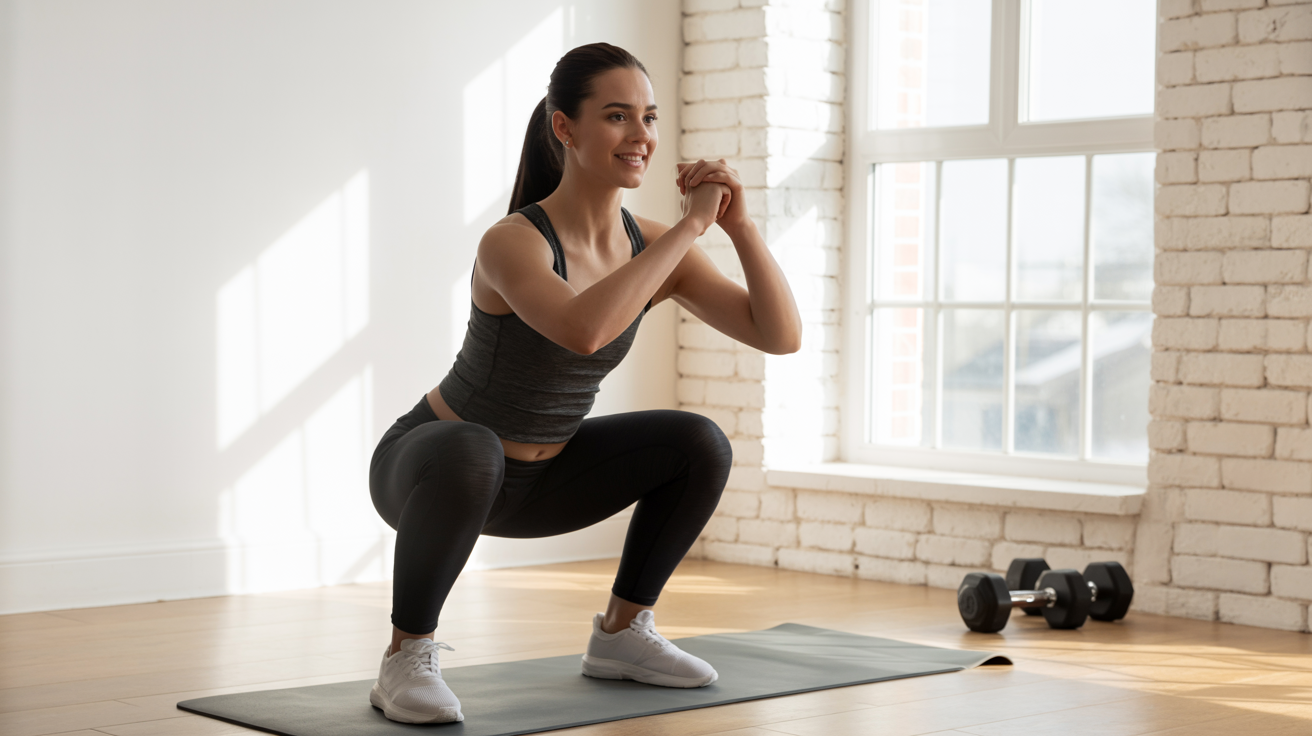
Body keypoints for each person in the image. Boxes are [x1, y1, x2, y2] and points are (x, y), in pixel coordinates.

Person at [366, 42, 802, 724]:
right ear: (565, 128)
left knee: (699, 443)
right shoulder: (514, 241)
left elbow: (779, 335)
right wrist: (691, 224)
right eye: (618, 116)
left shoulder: (653, 246)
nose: (641, 137)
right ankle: (404, 657)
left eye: (650, 119)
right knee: (474, 446)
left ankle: (623, 635)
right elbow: (583, 331)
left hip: (542, 483)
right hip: (433, 468)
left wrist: (738, 227)